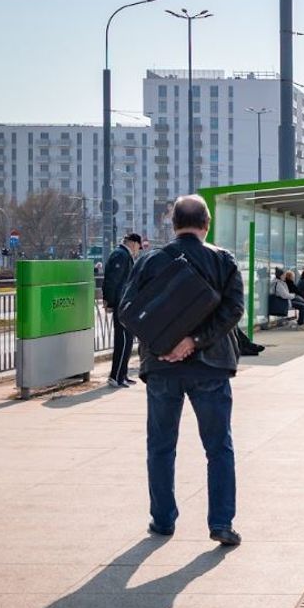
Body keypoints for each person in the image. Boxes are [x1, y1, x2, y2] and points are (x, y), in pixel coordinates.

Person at [120, 195, 244, 547]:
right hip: (211, 367)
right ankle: (221, 523)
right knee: (218, 447)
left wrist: (167, 345)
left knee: (160, 445)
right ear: (207, 224)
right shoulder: (223, 260)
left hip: (161, 368)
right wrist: (196, 340)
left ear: (172, 224)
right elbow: (233, 310)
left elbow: (128, 311)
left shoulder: (149, 261)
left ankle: (162, 520)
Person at [102, 232, 144, 388]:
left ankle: (123, 375)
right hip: (121, 304)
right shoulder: (121, 255)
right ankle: (116, 376)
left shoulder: (123, 255)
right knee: (123, 340)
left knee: (127, 340)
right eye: (138, 247)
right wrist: (110, 301)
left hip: (125, 304)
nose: (137, 251)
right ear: (133, 243)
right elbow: (112, 281)